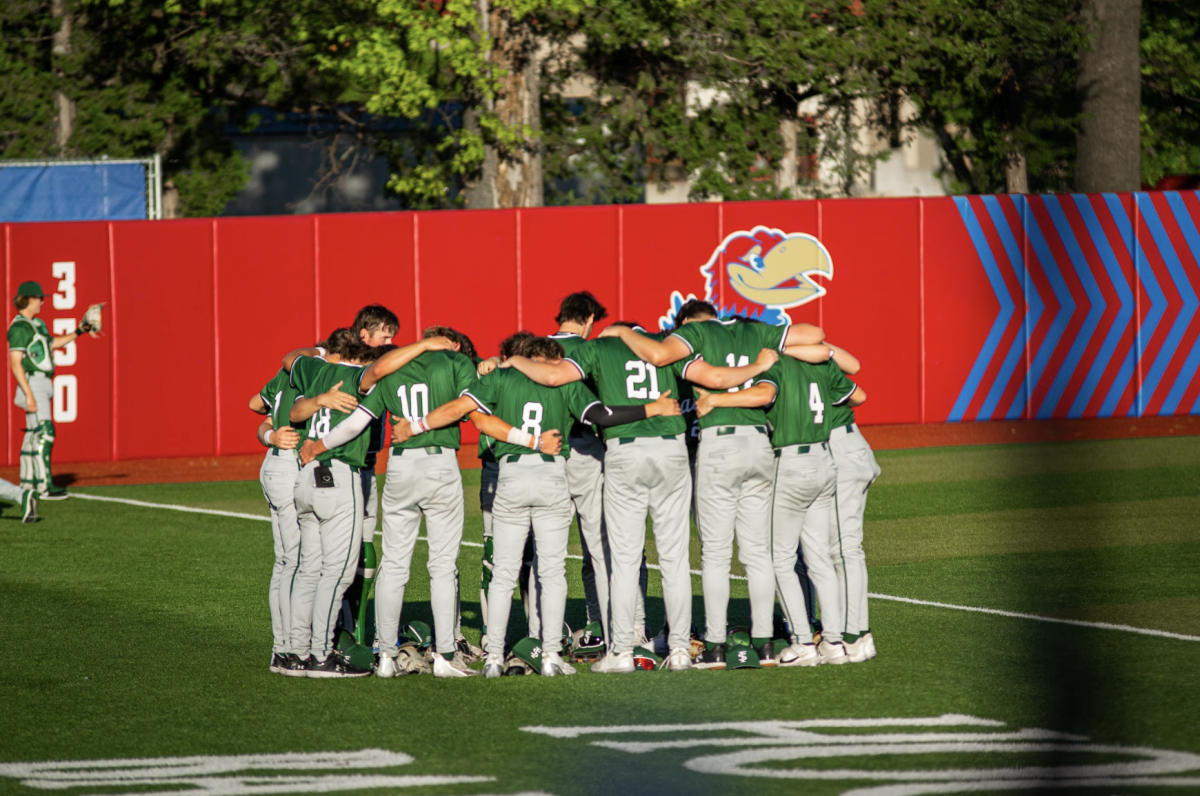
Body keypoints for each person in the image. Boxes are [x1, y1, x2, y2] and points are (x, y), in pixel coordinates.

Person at [502, 321, 768, 672]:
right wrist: (759, 367)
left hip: (624, 450)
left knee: (624, 560)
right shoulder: (668, 346)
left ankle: (623, 652)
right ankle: (678, 651)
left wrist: (513, 361)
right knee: (674, 560)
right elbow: (717, 377)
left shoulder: (598, 348)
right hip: (671, 451)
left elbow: (552, 377)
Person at [425, 335, 677, 677]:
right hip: (551, 474)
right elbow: (601, 415)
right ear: (544, 357)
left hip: (510, 473)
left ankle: (494, 657)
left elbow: (466, 413)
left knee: (503, 573)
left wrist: (417, 424)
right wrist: (653, 408)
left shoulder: (499, 377)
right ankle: (550, 656)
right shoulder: (563, 383)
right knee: (552, 571)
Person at [599, 302, 818, 668]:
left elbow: (664, 357)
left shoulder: (694, 335)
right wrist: (766, 358)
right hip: (759, 443)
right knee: (758, 554)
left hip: (719, 442)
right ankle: (763, 643)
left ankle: (716, 646)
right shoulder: (756, 330)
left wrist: (623, 331)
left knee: (715, 555)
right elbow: (814, 335)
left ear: (685, 323)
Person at [301, 329, 509, 679]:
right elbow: (472, 409)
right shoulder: (456, 362)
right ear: (451, 343)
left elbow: (356, 423)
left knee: (395, 564)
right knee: (442, 565)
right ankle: (444, 655)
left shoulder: (390, 368)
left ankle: (384, 655)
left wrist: (317, 447)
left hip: (399, 465)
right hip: (439, 461)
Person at [696, 343, 864, 666]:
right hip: (824, 459)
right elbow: (859, 395)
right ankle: (833, 641)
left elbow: (762, 396)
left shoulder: (774, 364)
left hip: (791, 462)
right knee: (819, 560)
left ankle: (802, 641)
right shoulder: (821, 366)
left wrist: (716, 399)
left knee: (780, 559)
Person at [249, 336, 359, 675]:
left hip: (274, 462)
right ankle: (286, 651)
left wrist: (269, 434)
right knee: (296, 564)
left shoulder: (290, 373)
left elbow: (256, 404)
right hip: (288, 467)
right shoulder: (315, 375)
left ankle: (285, 650)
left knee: (288, 562)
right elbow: (276, 408)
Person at [280, 336, 383, 678]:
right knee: (336, 574)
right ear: (363, 356)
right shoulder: (360, 376)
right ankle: (322, 655)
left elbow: (291, 359)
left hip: (306, 478)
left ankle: (293, 654)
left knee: (309, 569)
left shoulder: (316, 369)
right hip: (338, 475)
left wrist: (319, 354)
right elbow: (380, 369)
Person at [7, 280, 97, 499]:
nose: (41, 302)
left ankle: (28, 484)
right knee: (45, 433)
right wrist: (28, 393)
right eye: (39, 298)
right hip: (32, 382)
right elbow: (15, 362)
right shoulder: (19, 327)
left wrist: (80, 330)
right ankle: (44, 486)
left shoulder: (37, 325)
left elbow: (53, 344)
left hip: (43, 381)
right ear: (28, 299)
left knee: (33, 435)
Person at [822, 343, 881, 663]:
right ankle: (859, 633)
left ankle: (855, 636)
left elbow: (858, 389)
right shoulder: (821, 362)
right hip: (853, 446)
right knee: (846, 549)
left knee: (844, 550)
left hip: (839, 452)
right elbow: (858, 391)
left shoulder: (797, 365)